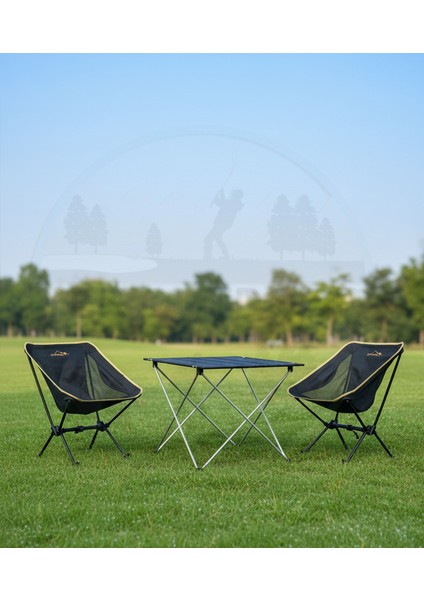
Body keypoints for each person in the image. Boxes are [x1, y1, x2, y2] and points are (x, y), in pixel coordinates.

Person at [204, 189, 244, 259]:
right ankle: (226, 256)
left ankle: (207, 257)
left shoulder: (233, 203)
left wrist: (218, 198)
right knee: (218, 239)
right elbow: (223, 203)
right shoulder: (235, 203)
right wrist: (221, 194)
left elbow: (222, 204)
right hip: (224, 224)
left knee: (208, 239)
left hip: (221, 224)